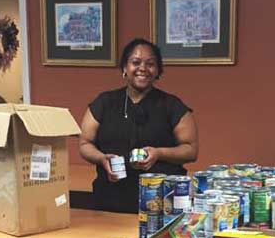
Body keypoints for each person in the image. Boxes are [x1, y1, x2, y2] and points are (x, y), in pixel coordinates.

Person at [79, 38, 198, 213]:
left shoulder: (172, 105)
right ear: (125, 68)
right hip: (111, 198)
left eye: (150, 64)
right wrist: (101, 158)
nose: (143, 68)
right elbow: (85, 143)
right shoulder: (104, 102)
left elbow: (191, 149)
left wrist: (159, 153)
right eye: (135, 62)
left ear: (158, 71)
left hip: (162, 201)